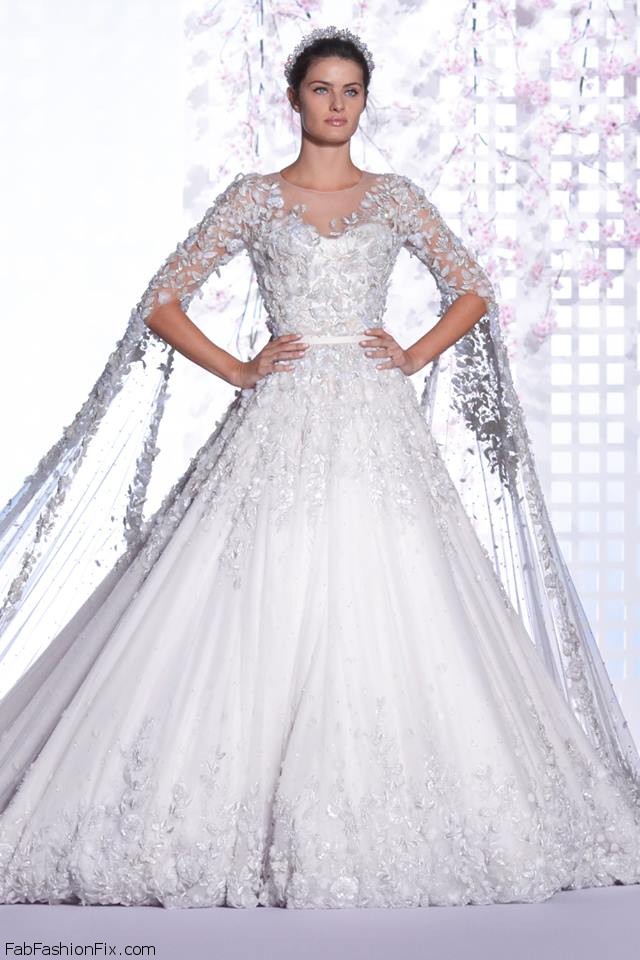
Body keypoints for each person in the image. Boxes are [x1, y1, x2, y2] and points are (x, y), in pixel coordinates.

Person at [0, 25, 639, 911]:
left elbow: (473, 288)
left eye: (351, 91)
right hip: (282, 417)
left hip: (375, 420)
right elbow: (162, 301)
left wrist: (411, 355)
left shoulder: (396, 197)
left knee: (394, 583)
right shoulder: (254, 198)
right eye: (321, 89)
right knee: (252, 586)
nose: (337, 104)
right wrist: (240, 369)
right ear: (293, 98)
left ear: (365, 102)